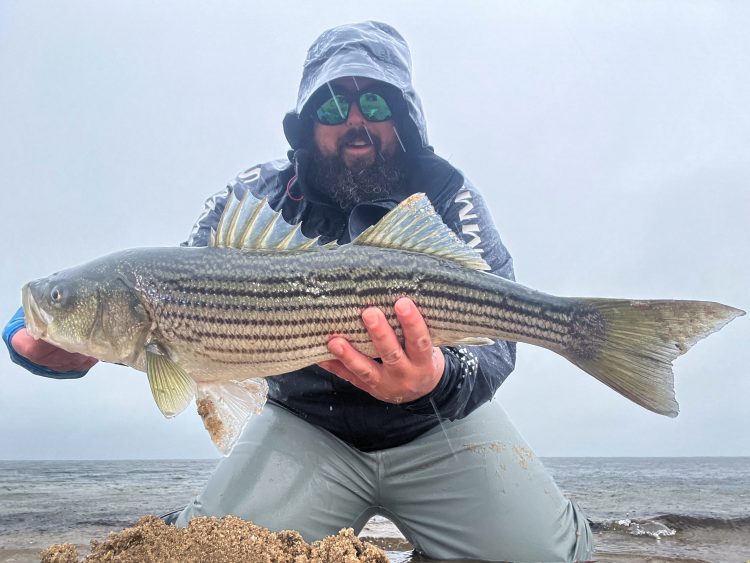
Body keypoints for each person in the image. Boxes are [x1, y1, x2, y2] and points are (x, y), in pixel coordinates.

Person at [3, 21, 593, 562]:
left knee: (545, 556)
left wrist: (436, 381)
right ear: (307, 123)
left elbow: (500, 336)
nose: (355, 120)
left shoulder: (446, 194)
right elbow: (181, 273)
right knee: (210, 553)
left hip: (436, 422)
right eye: (332, 105)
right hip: (308, 426)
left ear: (404, 116)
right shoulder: (254, 194)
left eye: (375, 102)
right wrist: (38, 332)